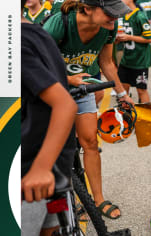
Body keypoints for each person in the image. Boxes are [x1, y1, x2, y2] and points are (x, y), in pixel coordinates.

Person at [43, 0, 134, 219]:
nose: (115, 18)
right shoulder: (59, 24)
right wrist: (68, 79)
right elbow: (36, 63)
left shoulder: (108, 27)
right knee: (55, 148)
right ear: (87, 9)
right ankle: (64, 200)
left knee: (90, 142)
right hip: (52, 88)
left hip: (82, 88)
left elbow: (106, 62)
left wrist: (122, 94)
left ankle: (97, 199)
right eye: (109, 13)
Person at [21, 0, 77, 234]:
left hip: (31, 174)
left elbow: (64, 104)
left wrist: (41, 168)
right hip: (54, 169)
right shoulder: (39, 34)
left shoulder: (13, 41)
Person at [117, 0, 151, 103]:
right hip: (126, 60)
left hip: (139, 61)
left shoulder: (140, 16)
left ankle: (145, 115)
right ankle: (125, 115)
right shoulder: (123, 16)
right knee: (123, 91)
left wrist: (129, 37)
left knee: (141, 90)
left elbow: (149, 38)